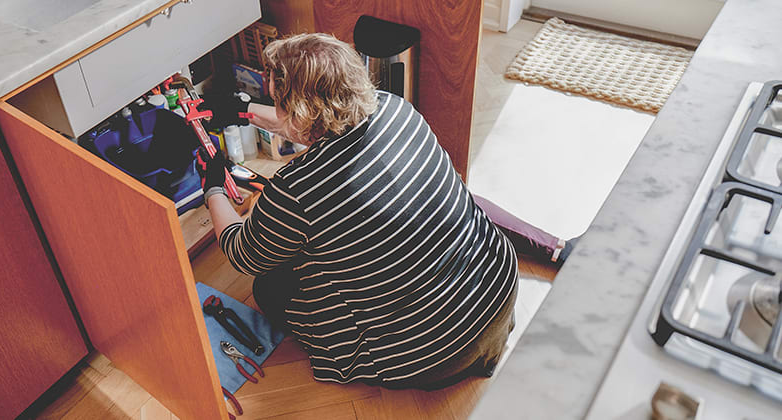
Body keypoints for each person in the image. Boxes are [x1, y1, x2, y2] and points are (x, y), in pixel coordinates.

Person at [197, 33, 574, 390]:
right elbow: (310, 123)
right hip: (497, 297)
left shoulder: (296, 189)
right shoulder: (396, 109)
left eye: (278, 101)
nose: (276, 108)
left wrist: (213, 187)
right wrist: (246, 111)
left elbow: (241, 253)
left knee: (269, 286)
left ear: (297, 110)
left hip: (434, 355)